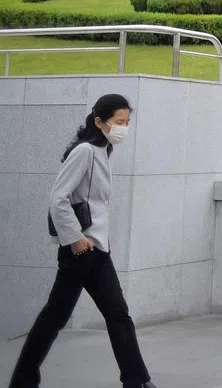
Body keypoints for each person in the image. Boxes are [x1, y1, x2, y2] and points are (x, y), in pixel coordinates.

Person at [9, 94, 158, 388]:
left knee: (118, 314)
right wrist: (75, 238)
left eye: (127, 122)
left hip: (97, 250)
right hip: (80, 251)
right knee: (55, 316)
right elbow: (58, 197)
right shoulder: (86, 152)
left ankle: (137, 381)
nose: (124, 128)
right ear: (100, 122)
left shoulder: (104, 151)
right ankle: (23, 380)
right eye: (119, 122)